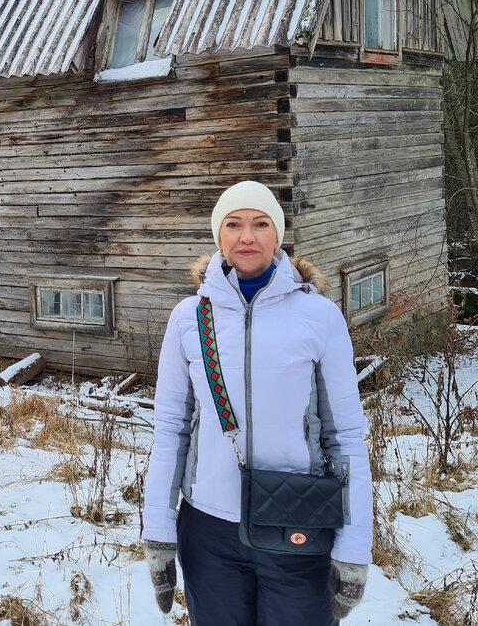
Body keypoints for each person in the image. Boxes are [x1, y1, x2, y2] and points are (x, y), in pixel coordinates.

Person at [141, 180, 372, 625]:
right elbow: (170, 428)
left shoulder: (319, 316)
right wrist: (158, 534)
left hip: (300, 525)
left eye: (260, 223)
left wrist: (354, 547)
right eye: (234, 224)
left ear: (278, 235)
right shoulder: (189, 319)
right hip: (208, 532)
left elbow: (345, 435)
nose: (247, 236)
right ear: (219, 237)